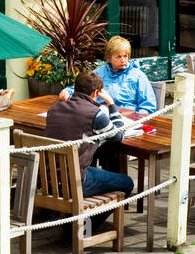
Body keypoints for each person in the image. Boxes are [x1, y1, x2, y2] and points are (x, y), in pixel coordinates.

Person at [45, 73, 135, 228]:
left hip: (48, 181)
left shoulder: (54, 108)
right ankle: (86, 227)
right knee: (126, 183)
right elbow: (119, 135)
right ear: (96, 93)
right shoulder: (96, 115)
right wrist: (111, 104)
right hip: (76, 182)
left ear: (76, 88)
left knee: (93, 163)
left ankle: (73, 222)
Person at [59, 37, 157, 115]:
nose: (123, 60)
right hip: (100, 117)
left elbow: (148, 107)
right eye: (118, 56)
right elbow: (81, 89)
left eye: (125, 56)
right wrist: (67, 91)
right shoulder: (99, 73)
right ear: (109, 58)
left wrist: (135, 118)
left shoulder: (138, 76)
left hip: (128, 118)